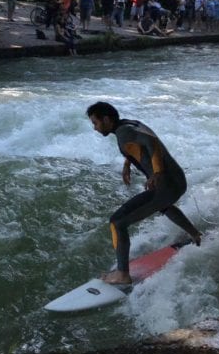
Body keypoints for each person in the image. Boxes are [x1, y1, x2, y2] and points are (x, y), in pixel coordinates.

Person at [86, 102, 202, 285]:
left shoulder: (124, 132)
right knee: (163, 206)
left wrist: (157, 173)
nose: (95, 128)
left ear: (106, 119)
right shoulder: (129, 124)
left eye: (95, 123)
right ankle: (196, 235)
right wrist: (127, 164)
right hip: (175, 181)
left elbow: (151, 142)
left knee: (117, 222)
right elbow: (138, 145)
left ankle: (122, 274)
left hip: (167, 184)